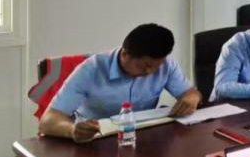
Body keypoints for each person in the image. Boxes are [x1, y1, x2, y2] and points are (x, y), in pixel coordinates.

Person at [39, 23, 201, 142]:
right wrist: (72, 130)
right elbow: (48, 120)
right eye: (144, 66)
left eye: (155, 66)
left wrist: (191, 98)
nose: (149, 72)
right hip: (96, 139)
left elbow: (190, 93)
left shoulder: (166, 65)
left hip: (141, 137)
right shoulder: (91, 69)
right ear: (124, 54)